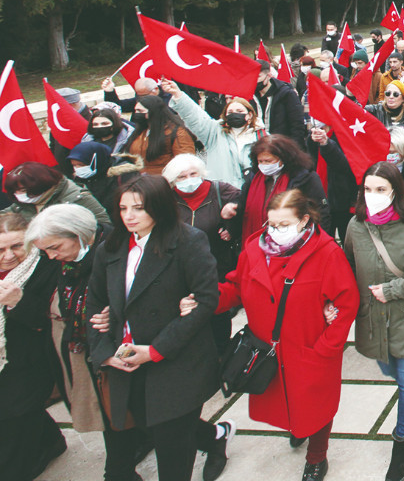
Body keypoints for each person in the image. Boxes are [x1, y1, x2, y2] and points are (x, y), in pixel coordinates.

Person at [86, 175, 226, 481]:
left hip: (173, 360)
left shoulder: (188, 240)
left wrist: (156, 350)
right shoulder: (110, 247)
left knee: (173, 449)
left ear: (159, 207)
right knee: (136, 433)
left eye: (138, 208)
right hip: (123, 362)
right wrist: (104, 353)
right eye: (123, 209)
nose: (129, 216)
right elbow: (95, 304)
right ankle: (214, 437)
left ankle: (214, 441)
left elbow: (205, 300)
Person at [215, 189, 357, 481]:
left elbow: (346, 301)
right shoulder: (255, 248)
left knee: (316, 406)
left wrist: (327, 346)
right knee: (288, 402)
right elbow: (237, 287)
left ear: (305, 220)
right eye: (272, 224)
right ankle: (298, 427)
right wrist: (206, 299)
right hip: (268, 351)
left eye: (284, 224)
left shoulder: (326, 252)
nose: (276, 231)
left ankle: (317, 457)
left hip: (309, 349)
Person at [344, 162, 404, 481]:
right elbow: (345, 267)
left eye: (381, 190)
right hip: (372, 317)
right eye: (368, 190)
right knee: (386, 366)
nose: (373, 196)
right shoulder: (356, 226)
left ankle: (402, 442)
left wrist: (395, 288)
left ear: (396, 191)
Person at [25, 205, 110, 448]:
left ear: (78, 234)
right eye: (45, 251)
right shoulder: (68, 261)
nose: (51, 257)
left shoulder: (114, 253)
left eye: (55, 248)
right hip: (86, 352)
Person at [0, 211, 65, 481]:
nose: (8, 256)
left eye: (17, 246)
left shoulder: (49, 265)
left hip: (33, 357)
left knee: (11, 418)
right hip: (6, 357)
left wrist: (18, 300)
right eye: (1, 248)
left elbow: (53, 319)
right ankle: (51, 441)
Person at [163, 154, 242, 352]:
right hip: (179, 269)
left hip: (216, 268)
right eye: (181, 177)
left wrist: (230, 224)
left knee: (217, 319)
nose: (189, 180)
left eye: (193, 174)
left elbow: (245, 205)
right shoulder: (166, 197)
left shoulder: (219, 190)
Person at [162, 79, 264, 185]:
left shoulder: (262, 136)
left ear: (250, 115)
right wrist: (178, 94)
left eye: (239, 111)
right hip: (221, 193)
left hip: (253, 191)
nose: (234, 114)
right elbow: (195, 116)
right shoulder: (214, 133)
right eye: (230, 112)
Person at [230, 135, 330, 240]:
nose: (264, 165)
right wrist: (233, 205)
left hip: (294, 238)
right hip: (257, 239)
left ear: (282, 159)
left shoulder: (304, 178)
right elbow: (242, 201)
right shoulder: (254, 177)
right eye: (260, 161)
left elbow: (321, 211)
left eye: (268, 161)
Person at [4, 161, 110, 225]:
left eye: (23, 190)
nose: (18, 195)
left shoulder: (77, 198)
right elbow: (5, 215)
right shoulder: (23, 204)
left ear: (40, 185)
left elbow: (103, 225)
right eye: (15, 191)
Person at [123, 95, 197, 177]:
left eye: (140, 111)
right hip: (141, 182)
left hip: (164, 182)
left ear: (152, 112)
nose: (136, 114)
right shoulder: (141, 131)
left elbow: (185, 162)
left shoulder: (177, 133)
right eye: (135, 110)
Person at [253, 62, 307, 147]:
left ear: (269, 75)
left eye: (259, 76)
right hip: (258, 146)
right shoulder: (251, 96)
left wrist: (294, 148)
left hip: (282, 147)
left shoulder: (286, 94)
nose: (255, 80)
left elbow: (297, 125)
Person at [66, 140, 117, 208]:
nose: (77, 169)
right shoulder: (77, 181)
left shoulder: (115, 181)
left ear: (97, 161)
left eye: (81, 165)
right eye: (74, 165)